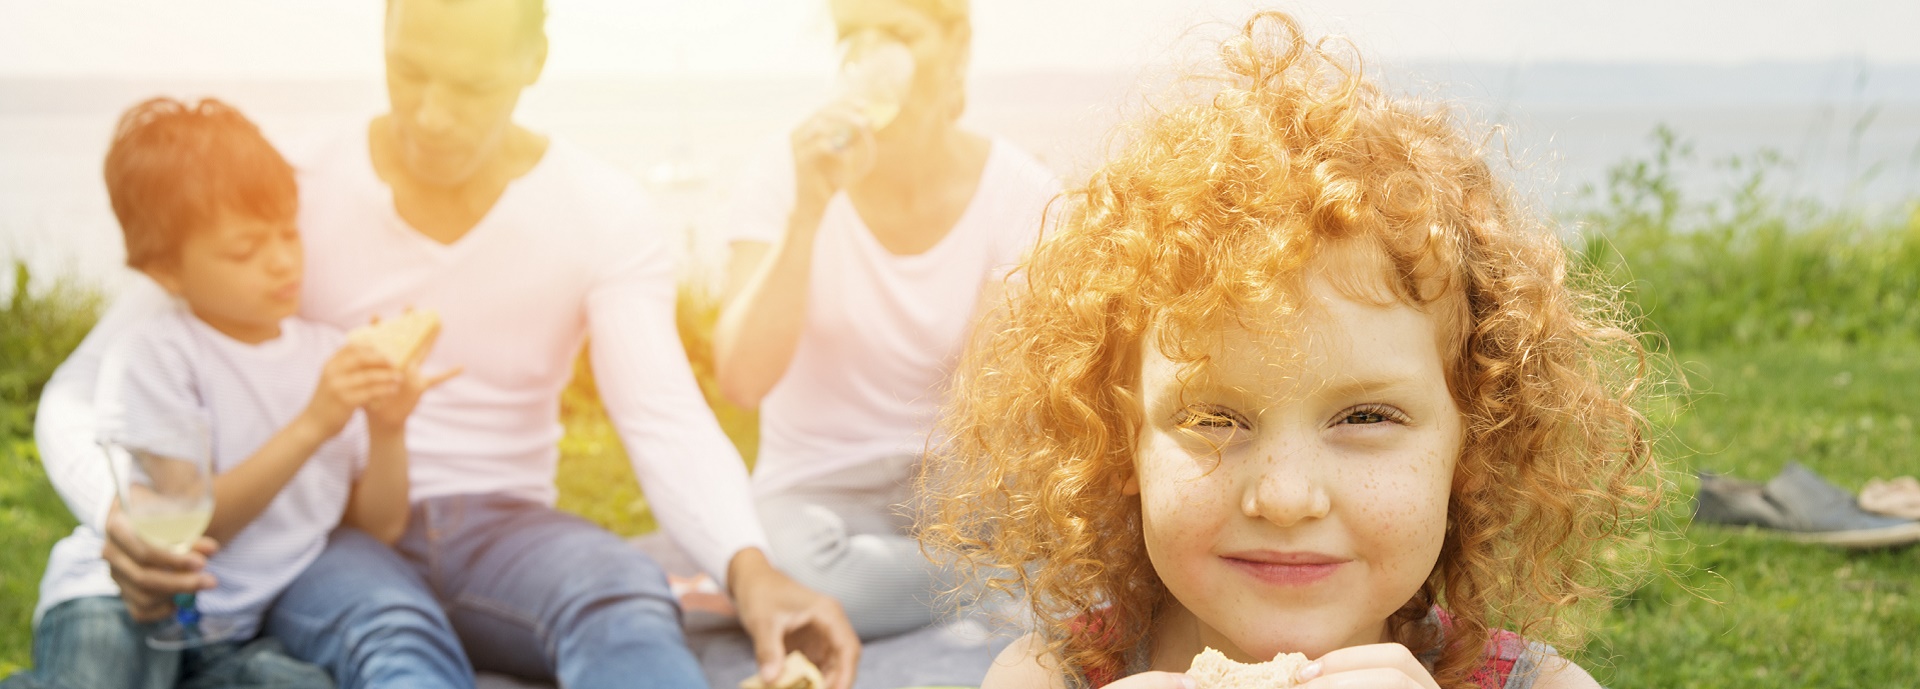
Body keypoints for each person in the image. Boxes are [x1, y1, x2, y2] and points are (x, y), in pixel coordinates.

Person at [31, 1, 861, 688]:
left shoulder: (601, 212)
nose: (430, 114)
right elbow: (86, 384)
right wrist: (116, 515)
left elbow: (662, 414)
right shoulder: (292, 197)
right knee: (389, 633)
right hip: (337, 537)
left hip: (508, 528)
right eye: (408, 70)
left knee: (621, 588)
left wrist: (749, 569)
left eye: (469, 85)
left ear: (534, 59)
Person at [919, 12, 1663, 689]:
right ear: (1122, 445)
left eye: (1366, 416)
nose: (1283, 497)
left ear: (1473, 446)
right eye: (1213, 417)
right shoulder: (1047, 677)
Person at [7, 97, 442, 689]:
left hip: (227, 629)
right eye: (244, 250)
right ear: (166, 272)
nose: (281, 261)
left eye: (288, 233)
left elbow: (380, 527)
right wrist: (314, 422)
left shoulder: (327, 353)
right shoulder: (156, 354)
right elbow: (191, 527)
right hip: (119, 606)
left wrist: (389, 428)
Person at [713, 0, 1060, 640]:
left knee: (1066, 525)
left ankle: (961, 574)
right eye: (852, 36)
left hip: (951, 482)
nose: (869, 57)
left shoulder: (1017, 191)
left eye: (897, 35)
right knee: (811, 578)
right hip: (817, 492)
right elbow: (741, 378)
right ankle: (1006, 579)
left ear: (956, 49)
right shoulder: (785, 173)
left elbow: (992, 404)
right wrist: (809, 211)